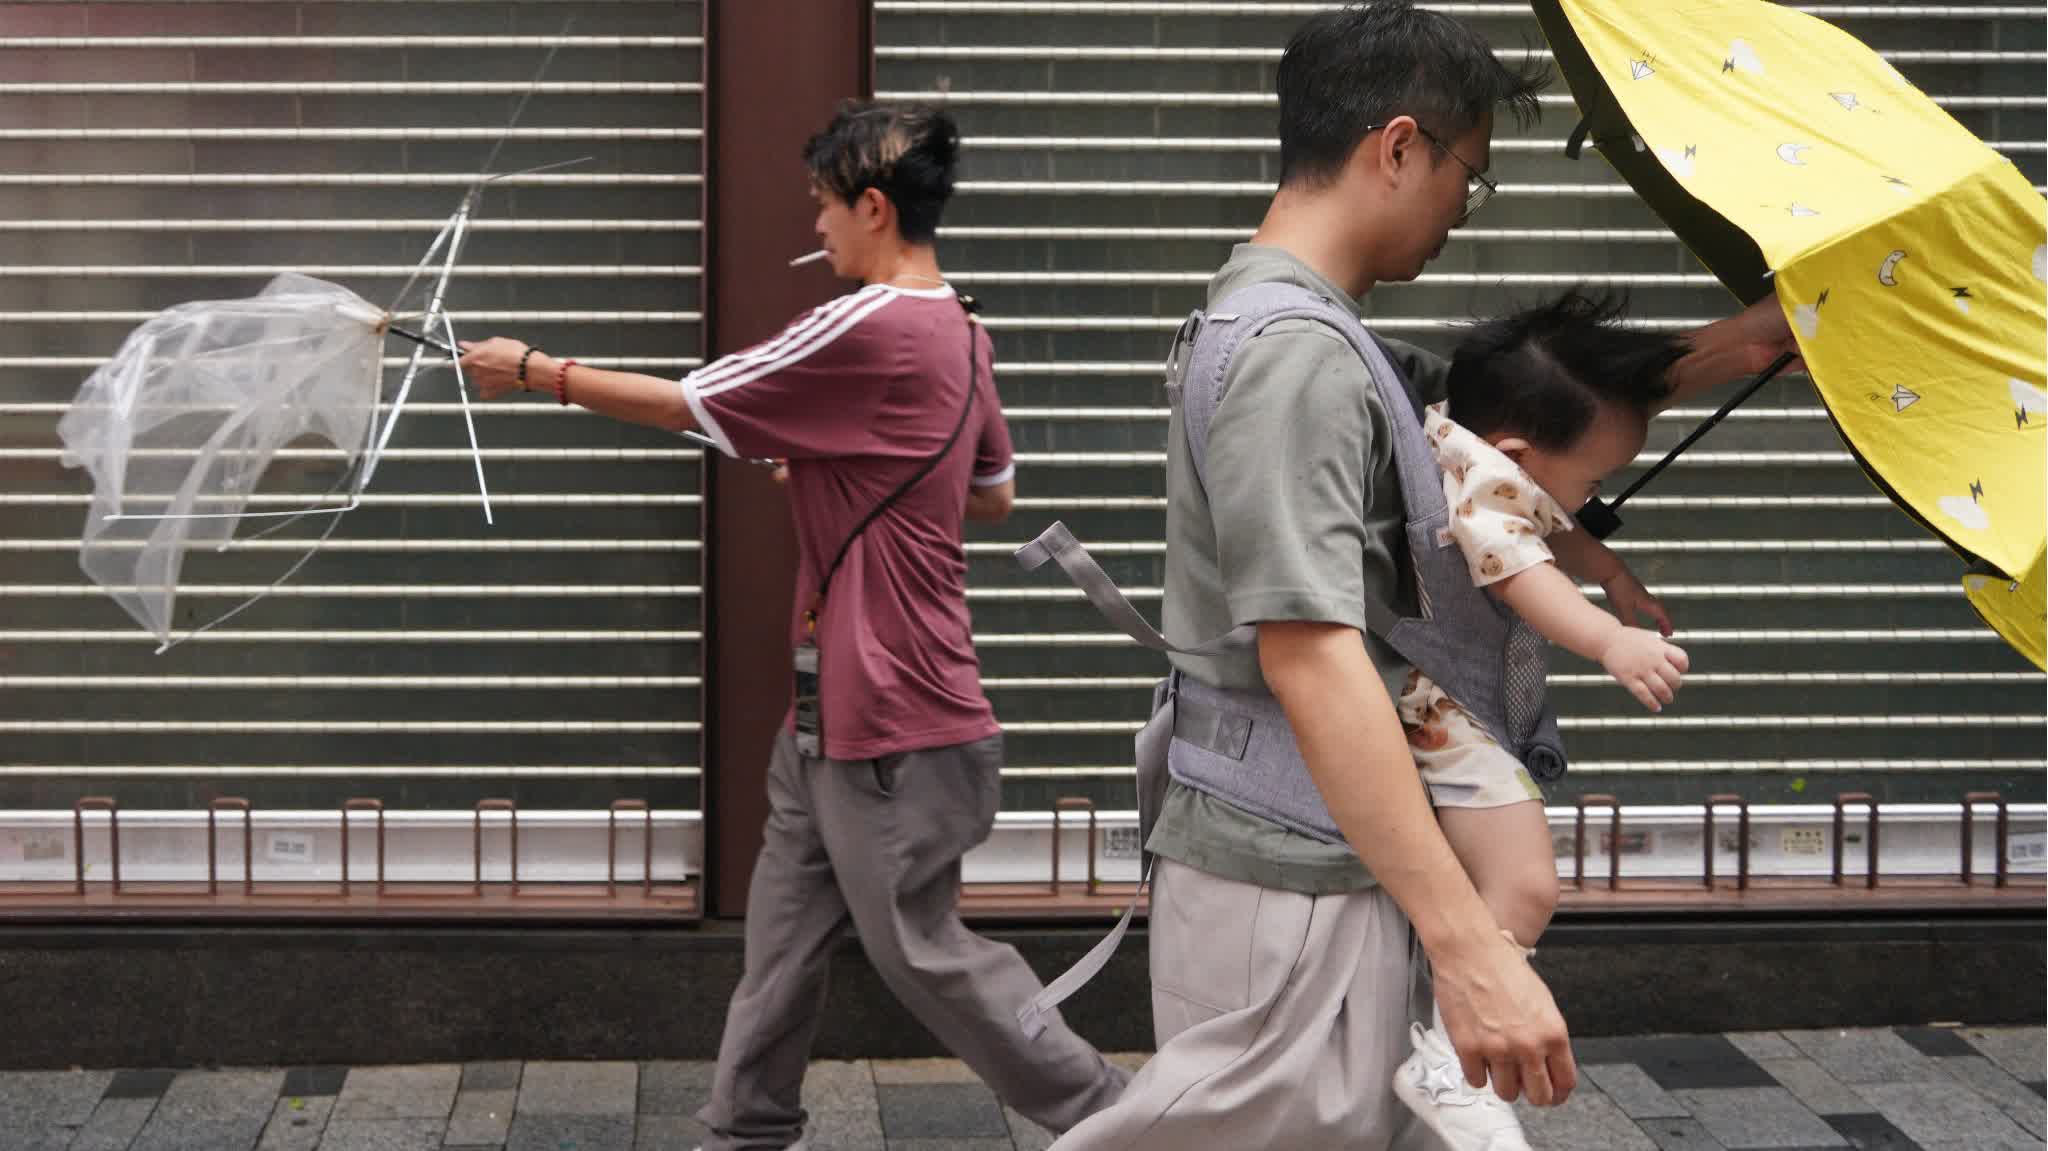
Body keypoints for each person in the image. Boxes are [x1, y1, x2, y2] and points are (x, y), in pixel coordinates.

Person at [1028, 4, 1803, 1149]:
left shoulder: (1317, 335)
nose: (1460, 210)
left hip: (1311, 847)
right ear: (1396, 147)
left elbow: (1520, 415)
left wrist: (1725, 351)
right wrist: (1466, 942)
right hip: (1287, 864)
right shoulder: (1295, 359)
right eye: (1467, 176)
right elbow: (1309, 649)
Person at [458, 99, 1128, 1151]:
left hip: (895, 711)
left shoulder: (865, 319)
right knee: (780, 937)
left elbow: (692, 402)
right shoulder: (961, 326)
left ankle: (1119, 1120)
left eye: (821, 208)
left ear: (873, 206)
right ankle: (744, 1127)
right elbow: (988, 493)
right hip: (832, 702)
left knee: (924, 952)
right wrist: (832, 456)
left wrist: (534, 370)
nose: (813, 230)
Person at [1390, 290, 1695, 1148]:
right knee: (1526, 884)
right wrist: (1612, 641)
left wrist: (1613, 572)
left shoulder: (1462, 445)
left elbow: (1550, 523)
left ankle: (1439, 1037)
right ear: (1519, 452)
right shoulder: (1486, 496)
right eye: (1596, 478)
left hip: (1436, 700)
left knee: (1496, 882)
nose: (1596, 494)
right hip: (1446, 710)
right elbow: (1526, 564)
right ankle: (1448, 1058)